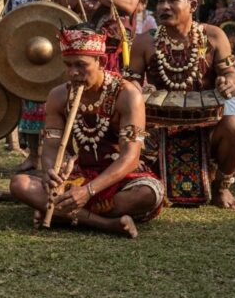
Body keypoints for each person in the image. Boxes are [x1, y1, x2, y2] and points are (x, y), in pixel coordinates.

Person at [127, 0, 235, 209]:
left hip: (206, 124)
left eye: (172, 1)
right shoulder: (145, 41)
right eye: (160, 1)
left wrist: (229, 83)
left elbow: (230, 74)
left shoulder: (214, 36)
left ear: (192, 6)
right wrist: (136, 90)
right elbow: (130, 83)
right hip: (157, 127)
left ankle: (221, 187)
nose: (164, 7)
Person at [9, 25, 164, 238]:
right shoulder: (58, 96)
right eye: (68, 65)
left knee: (147, 194)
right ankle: (106, 224)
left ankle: (61, 213)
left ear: (101, 61)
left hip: (122, 177)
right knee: (20, 184)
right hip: (80, 176)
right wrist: (51, 172)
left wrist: (88, 191)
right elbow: (51, 147)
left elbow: (131, 157)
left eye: (81, 65)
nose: (73, 72)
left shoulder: (127, 95)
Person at [3, 0, 71, 168]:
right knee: (27, 92)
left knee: (53, 95)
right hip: (22, 34)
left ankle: (54, 156)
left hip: (52, 33)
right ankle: (33, 155)